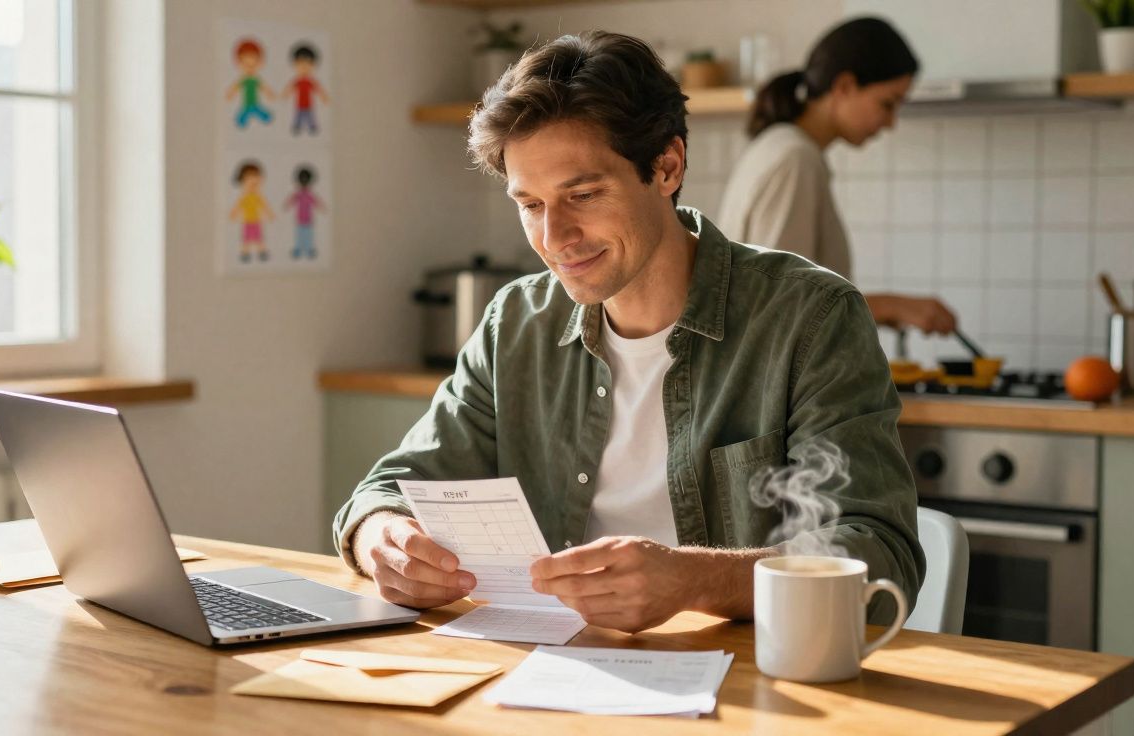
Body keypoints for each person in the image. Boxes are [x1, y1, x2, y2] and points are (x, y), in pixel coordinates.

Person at [333, 31, 923, 632]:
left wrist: (693, 579)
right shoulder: (515, 323)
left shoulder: (810, 317)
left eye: (583, 194)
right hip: (546, 676)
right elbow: (387, 488)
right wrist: (381, 537)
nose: (554, 238)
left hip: (750, 691)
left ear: (666, 166)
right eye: (531, 205)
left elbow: (880, 556)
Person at [717, 17, 956, 336]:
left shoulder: (784, 149)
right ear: (844, 86)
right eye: (887, 104)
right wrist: (891, 305)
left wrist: (876, 312)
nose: (890, 123)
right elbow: (777, 303)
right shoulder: (794, 158)